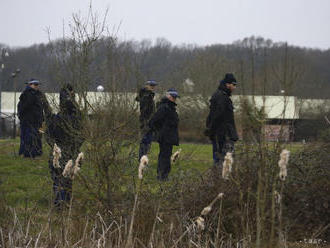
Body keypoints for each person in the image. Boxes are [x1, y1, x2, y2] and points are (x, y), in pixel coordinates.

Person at [45, 84, 84, 208]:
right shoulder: (76, 118)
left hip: (61, 151)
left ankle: (61, 205)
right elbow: (82, 136)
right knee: (65, 180)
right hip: (68, 151)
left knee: (59, 179)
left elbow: (48, 136)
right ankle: (63, 204)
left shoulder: (57, 119)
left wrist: (55, 146)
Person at [205, 73, 239, 168]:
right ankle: (220, 181)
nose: (235, 87)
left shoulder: (220, 96)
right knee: (224, 161)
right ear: (227, 84)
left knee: (222, 160)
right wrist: (212, 131)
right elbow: (216, 116)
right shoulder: (221, 97)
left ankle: (220, 180)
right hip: (222, 135)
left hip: (222, 134)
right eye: (234, 84)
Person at [148, 88, 179, 181]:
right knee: (164, 156)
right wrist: (160, 131)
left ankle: (164, 175)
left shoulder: (170, 107)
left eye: (175, 97)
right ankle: (162, 176)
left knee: (166, 156)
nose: (174, 99)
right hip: (165, 137)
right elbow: (153, 121)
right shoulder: (164, 107)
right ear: (168, 96)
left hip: (169, 137)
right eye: (173, 97)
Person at [18, 79, 50, 158]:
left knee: (37, 137)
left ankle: (37, 152)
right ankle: (28, 153)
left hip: (37, 120)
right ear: (30, 85)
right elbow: (22, 107)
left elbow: (45, 106)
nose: (37, 86)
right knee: (28, 137)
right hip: (28, 120)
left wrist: (46, 116)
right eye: (35, 84)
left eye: (37, 84)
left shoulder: (40, 94)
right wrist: (21, 117)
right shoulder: (26, 94)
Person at [135, 80, 158, 160]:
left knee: (146, 142)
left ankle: (142, 158)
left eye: (154, 86)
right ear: (146, 86)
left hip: (147, 122)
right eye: (151, 85)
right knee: (145, 142)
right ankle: (142, 159)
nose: (153, 87)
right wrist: (147, 122)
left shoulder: (147, 95)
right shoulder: (147, 96)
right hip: (146, 123)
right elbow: (145, 112)